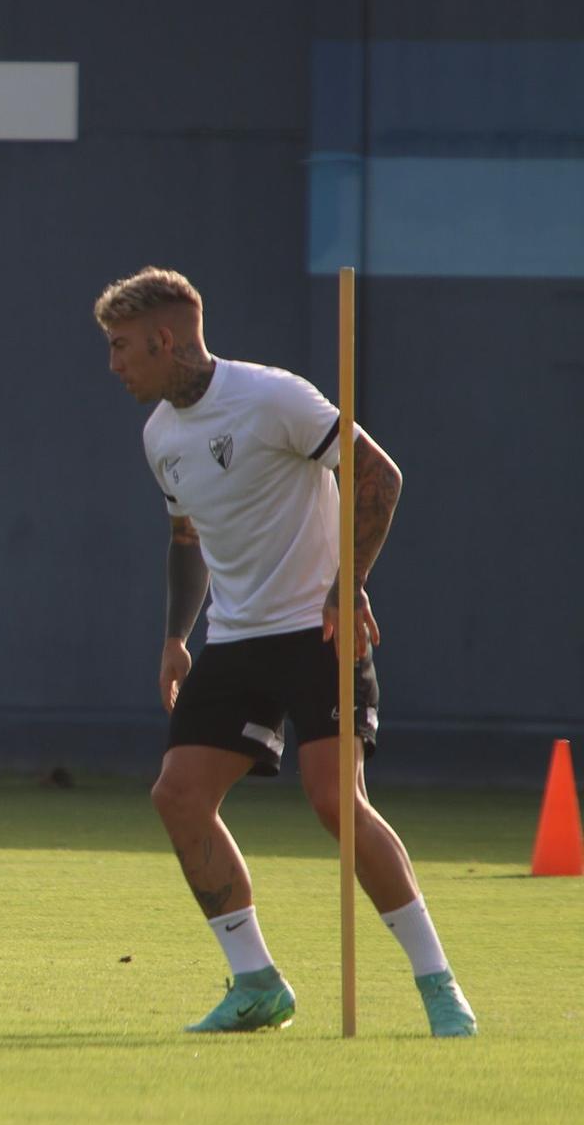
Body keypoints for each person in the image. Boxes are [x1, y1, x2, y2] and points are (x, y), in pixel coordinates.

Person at [97, 267, 475, 1036]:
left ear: (165, 340)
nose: (115, 364)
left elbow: (379, 476)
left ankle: (439, 984)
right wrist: (176, 633)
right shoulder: (158, 435)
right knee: (177, 796)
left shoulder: (275, 397)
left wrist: (348, 581)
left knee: (336, 801)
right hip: (234, 639)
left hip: (318, 628)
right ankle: (256, 981)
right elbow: (186, 535)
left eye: (124, 347)